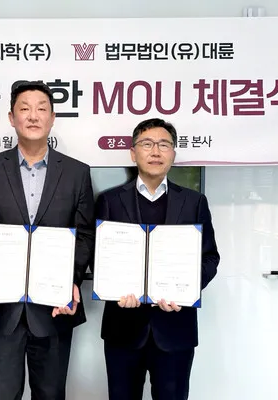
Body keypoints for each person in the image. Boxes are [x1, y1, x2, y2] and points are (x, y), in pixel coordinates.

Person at [0, 81, 95, 400]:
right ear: (11, 117)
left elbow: (84, 233)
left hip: (54, 307)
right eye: (24, 108)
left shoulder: (76, 172)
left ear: (52, 118)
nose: (33, 116)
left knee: (50, 394)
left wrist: (71, 280)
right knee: (2, 394)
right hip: (0, 306)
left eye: (41, 109)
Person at [94, 118, 220, 400]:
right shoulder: (109, 201)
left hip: (176, 328)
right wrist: (113, 291)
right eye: (147, 144)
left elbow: (210, 257)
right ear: (133, 153)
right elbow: (97, 257)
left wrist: (185, 290)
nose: (155, 151)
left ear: (173, 153)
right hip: (123, 328)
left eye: (164, 145)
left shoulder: (194, 202)